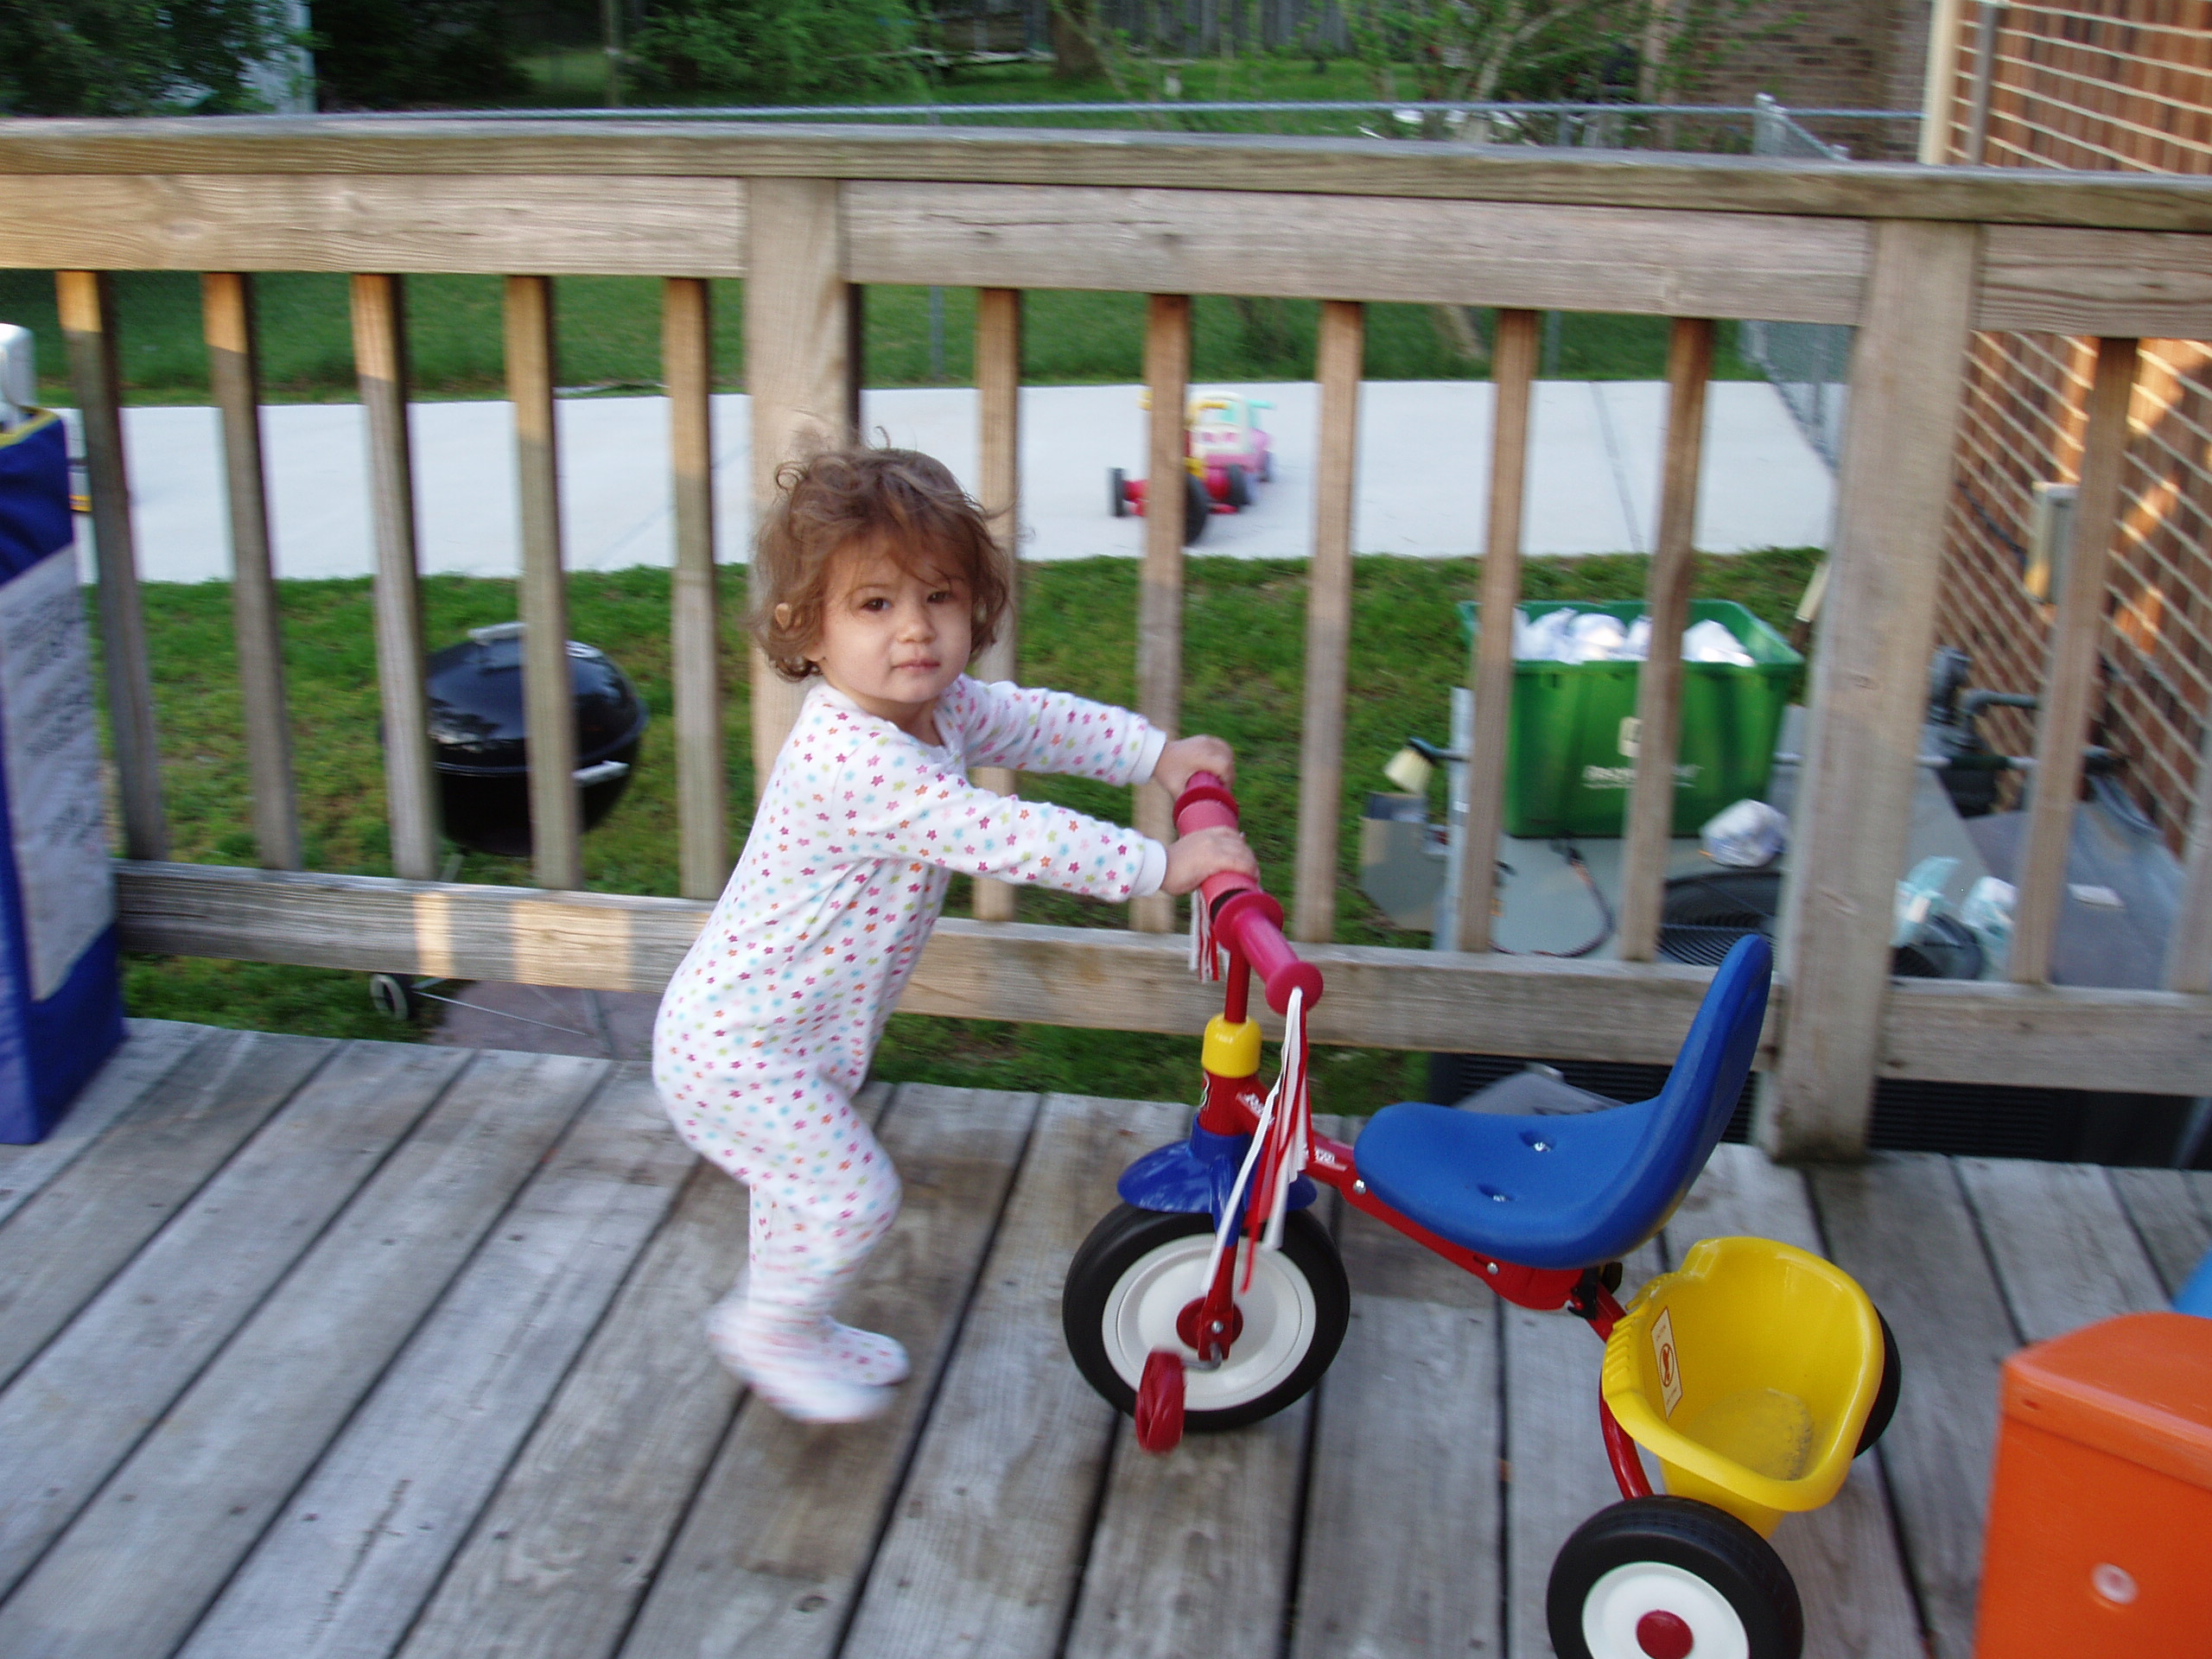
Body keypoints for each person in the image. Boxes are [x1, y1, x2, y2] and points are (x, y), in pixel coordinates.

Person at [652, 445, 1257, 1423]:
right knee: (852, 1199)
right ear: (807, 630)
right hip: (736, 1051)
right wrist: (1160, 864)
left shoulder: (940, 709)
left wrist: (1155, 755)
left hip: (797, 1038)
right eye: (874, 604)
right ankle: (768, 1327)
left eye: (939, 596)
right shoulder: (853, 761)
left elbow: (1038, 722)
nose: (915, 629)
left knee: (800, 1194)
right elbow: (1004, 833)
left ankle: (797, 1321)